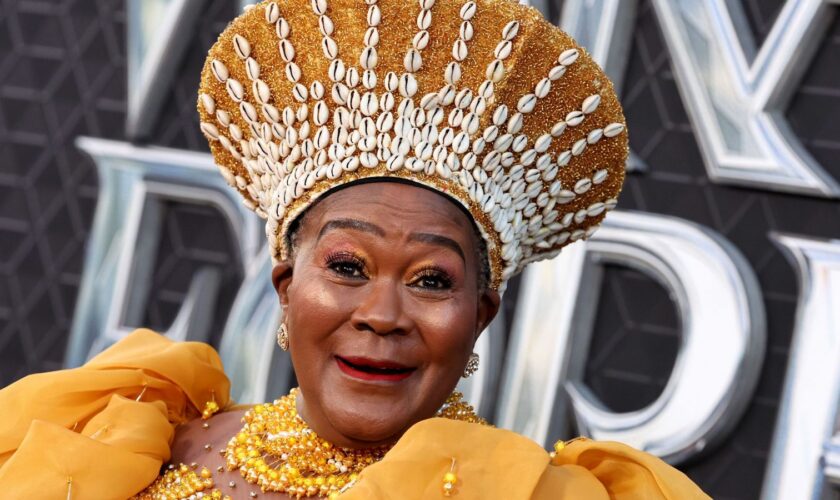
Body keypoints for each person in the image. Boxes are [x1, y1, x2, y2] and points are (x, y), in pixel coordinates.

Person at [0, 0, 711, 498]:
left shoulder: (537, 497)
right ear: (285, 285)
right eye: (347, 267)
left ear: (481, 315)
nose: (382, 313)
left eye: (432, 280)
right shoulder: (128, 440)